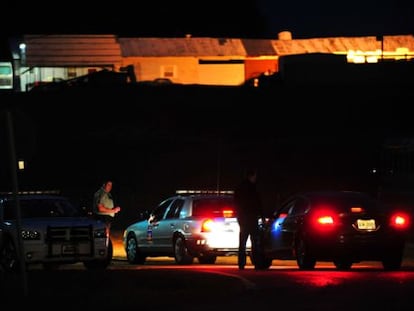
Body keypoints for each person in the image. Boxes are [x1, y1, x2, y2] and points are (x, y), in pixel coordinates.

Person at [234, 168, 264, 270]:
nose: (256, 178)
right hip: (251, 218)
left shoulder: (240, 188)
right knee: (255, 241)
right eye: (255, 176)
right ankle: (257, 263)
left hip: (243, 218)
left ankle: (241, 264)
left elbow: (236, 203)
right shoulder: (253, 188)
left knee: (243, 242)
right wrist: (262, 216)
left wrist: (239, 217)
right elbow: (258, 203)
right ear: (251, 176)